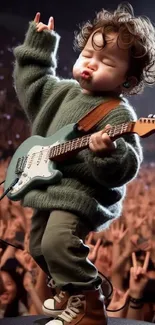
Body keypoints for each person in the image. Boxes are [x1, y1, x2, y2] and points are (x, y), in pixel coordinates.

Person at [12, 2, 155, 324]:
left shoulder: (118, 114)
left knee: (57, 242)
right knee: (37, 247)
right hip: (46, 186)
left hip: (80, 194)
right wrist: (40, 46)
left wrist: (105, 153)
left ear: (128, 82)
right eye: (87, 55)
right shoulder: (61, 92)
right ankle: (68, 288)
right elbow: (31, 83)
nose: (91, 64)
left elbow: (125, 167)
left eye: (106, 62)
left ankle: (90, 306)